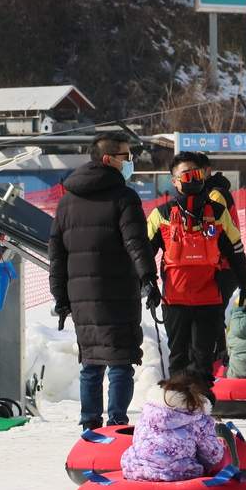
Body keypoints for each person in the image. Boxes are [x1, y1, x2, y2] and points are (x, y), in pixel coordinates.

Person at [49, 133, 160, 430]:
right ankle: (117, 425)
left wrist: (60, 297)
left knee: (91, 363)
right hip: (118, 293)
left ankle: (89, 426)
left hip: (81, 296)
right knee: (120, 362)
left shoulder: (67, 201)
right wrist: (149, 278)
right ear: (109, 159)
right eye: (126, 156)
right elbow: (137, 243)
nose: (131, 161)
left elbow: (56, 254)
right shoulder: (124, 197)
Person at [146, 153, 246, 389]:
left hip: (208, 299)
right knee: (178, 358)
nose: (194, 178)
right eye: (187, 174)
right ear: (174, 181)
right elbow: (144, 253)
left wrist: (245, 284)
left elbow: (235, 250)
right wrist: (147, 282)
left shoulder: (217, 213)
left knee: (203, 360)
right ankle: (176, 410)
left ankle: (202, 413)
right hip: (175, 300)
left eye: (197, 173)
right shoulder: (161, 215)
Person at [120, 371, 225, 482]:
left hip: (137, 469)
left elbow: (137, 439)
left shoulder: (148, 411)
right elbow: (213, 456)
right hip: (177, 474)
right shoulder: (199, 419)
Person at [193, 153, 238, 361]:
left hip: (224, 265)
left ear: (206, 170)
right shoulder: (210, 191)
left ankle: (219, 360)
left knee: (213, 314)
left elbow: (213, 232)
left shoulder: (215, 195)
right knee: (214, 314)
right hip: (220, 265)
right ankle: (219, 358)